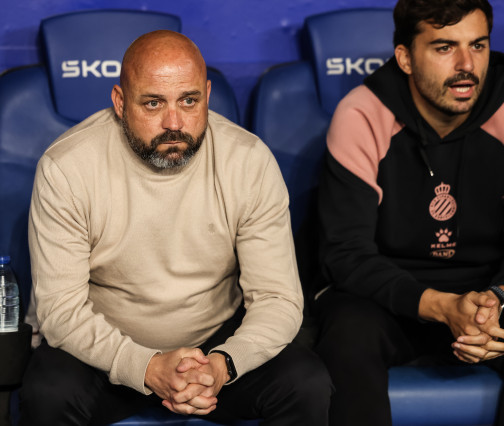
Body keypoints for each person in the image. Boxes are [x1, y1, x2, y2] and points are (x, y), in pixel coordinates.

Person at [18, 30, 332, 426]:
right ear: (119, 102)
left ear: (207, 93)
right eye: (153, 103)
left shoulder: (248, 161)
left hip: (215, 346)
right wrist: (147, 368)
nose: (174, 123)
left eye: (189, 100)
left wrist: (222, 366)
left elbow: (277, 298)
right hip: (103, 349)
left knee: (306, 384)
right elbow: (60, 311)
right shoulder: (67, 168)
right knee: (47, 395)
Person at [314, 0, 504, 424]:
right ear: (404, 57)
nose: (466, 65)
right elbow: (344, 254)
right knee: (347, 336)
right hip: (387, 299)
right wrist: (441, 306)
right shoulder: (362, 113)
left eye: (478, 45)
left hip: (488, 294)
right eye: (443, 48)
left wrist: (498, 302)